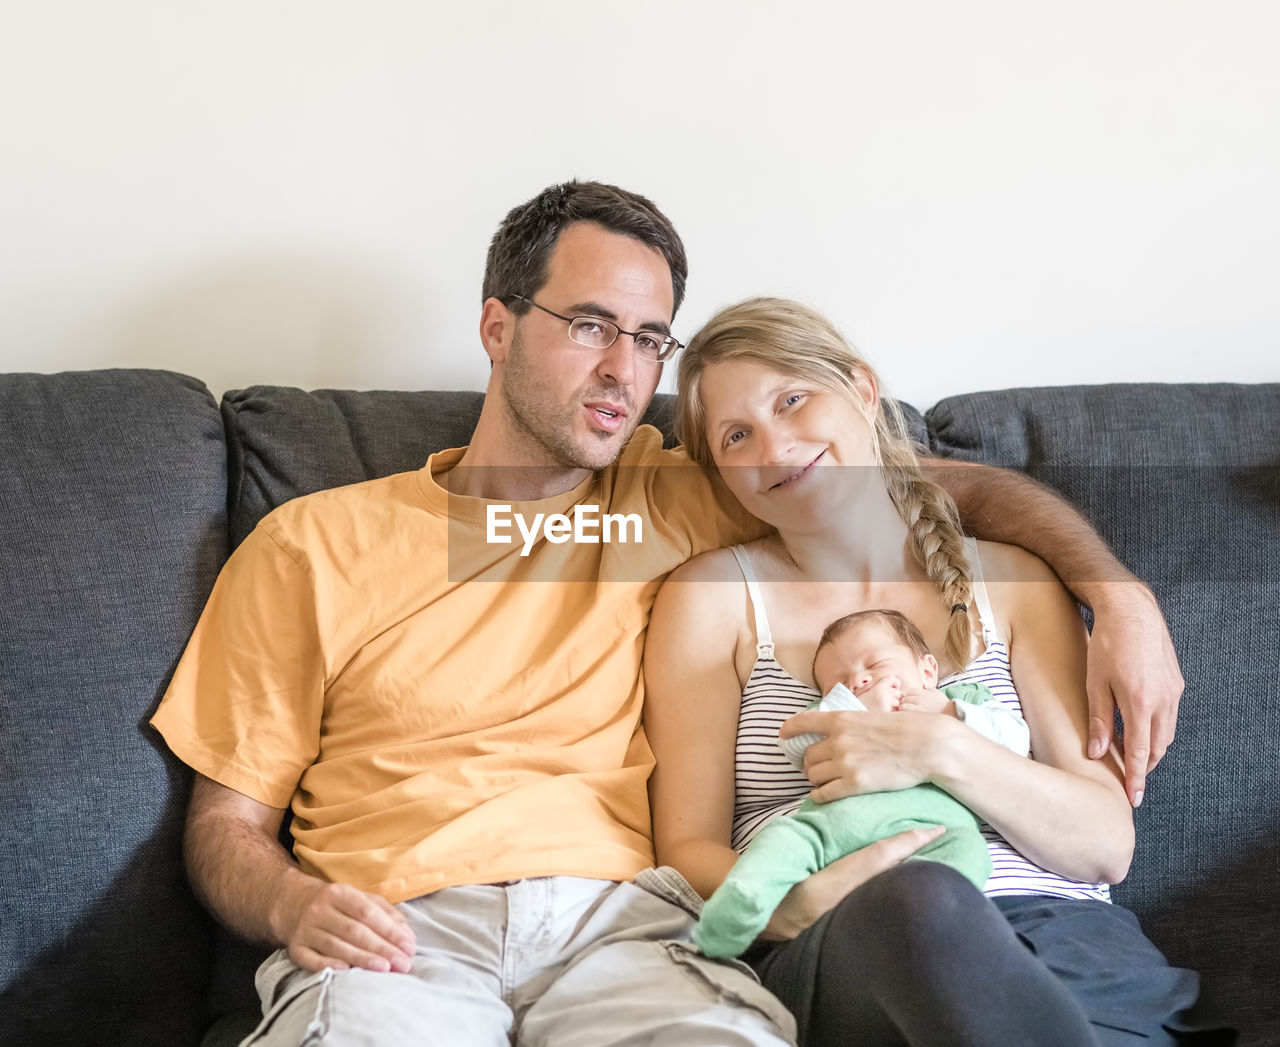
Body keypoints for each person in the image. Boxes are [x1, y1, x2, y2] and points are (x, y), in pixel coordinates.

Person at [150, 183, 1186, 1046]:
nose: (622, 371)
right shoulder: (312, 544)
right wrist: (291, 906)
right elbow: (226, 826)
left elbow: (921, 486)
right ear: (496, 326)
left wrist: (1114, 592)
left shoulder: (679, 489)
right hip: (402, 930)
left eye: (648, 340)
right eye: (590, 325)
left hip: (628, 933)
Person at [644, 296, 1230, 1045]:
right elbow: (685, 846)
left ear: (861, 388)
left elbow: (1105, 843)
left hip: (1067, 943)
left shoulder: (1013, 580)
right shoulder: (713, 599)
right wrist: (787, 904)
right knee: (921, 899)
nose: (774, 444)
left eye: (793, 400)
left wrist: (938, 748)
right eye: (736, 435)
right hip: (850, 942)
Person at [694, 607, 1030, 959]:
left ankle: (931, 922)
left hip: (937, 832)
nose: (858, 680)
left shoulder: (963, 700)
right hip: (834, 827)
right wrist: (852, 707)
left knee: (969, 855)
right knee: (784, 839)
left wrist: (949, 716)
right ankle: (742, 903)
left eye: (875, 665)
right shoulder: (835, 710)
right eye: (839, 682)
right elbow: (795, 745)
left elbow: (1015, 743)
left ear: (927, 670)